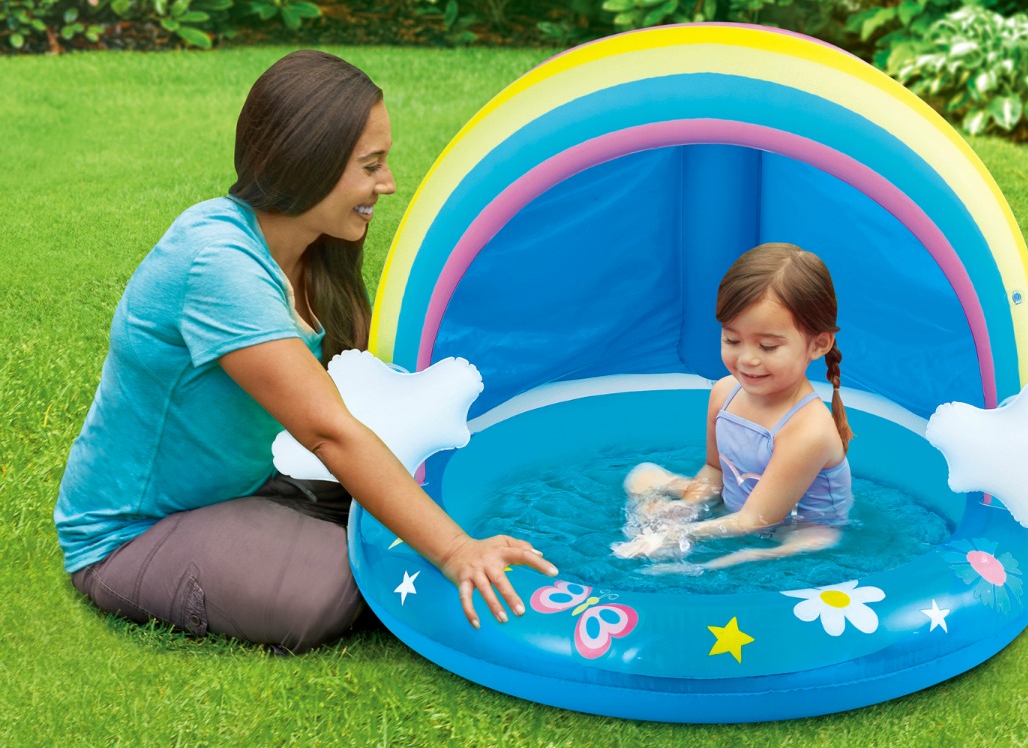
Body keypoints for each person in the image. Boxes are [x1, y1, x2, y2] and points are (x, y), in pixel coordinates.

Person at [53, 50, 556, 653]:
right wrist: (453, 550)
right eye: (371, 166)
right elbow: (327, 432)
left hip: (242, 488)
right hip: (133, 534)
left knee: (410, 513)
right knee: (341, 584)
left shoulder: (312, 251)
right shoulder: (219, 264)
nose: (389, 184)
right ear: (307, 164)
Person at [614, 242, 852, 569]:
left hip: (794, 528)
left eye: (767, 346)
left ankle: (704, 564)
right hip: (738, 507)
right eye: (732, 340)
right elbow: (715, 470)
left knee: (751, 555)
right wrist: (688, 507)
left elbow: (756, 519)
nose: (747, 359)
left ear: (818, 344)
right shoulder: (725, 393)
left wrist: (679, 535)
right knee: (642, 476)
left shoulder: (808, 430)